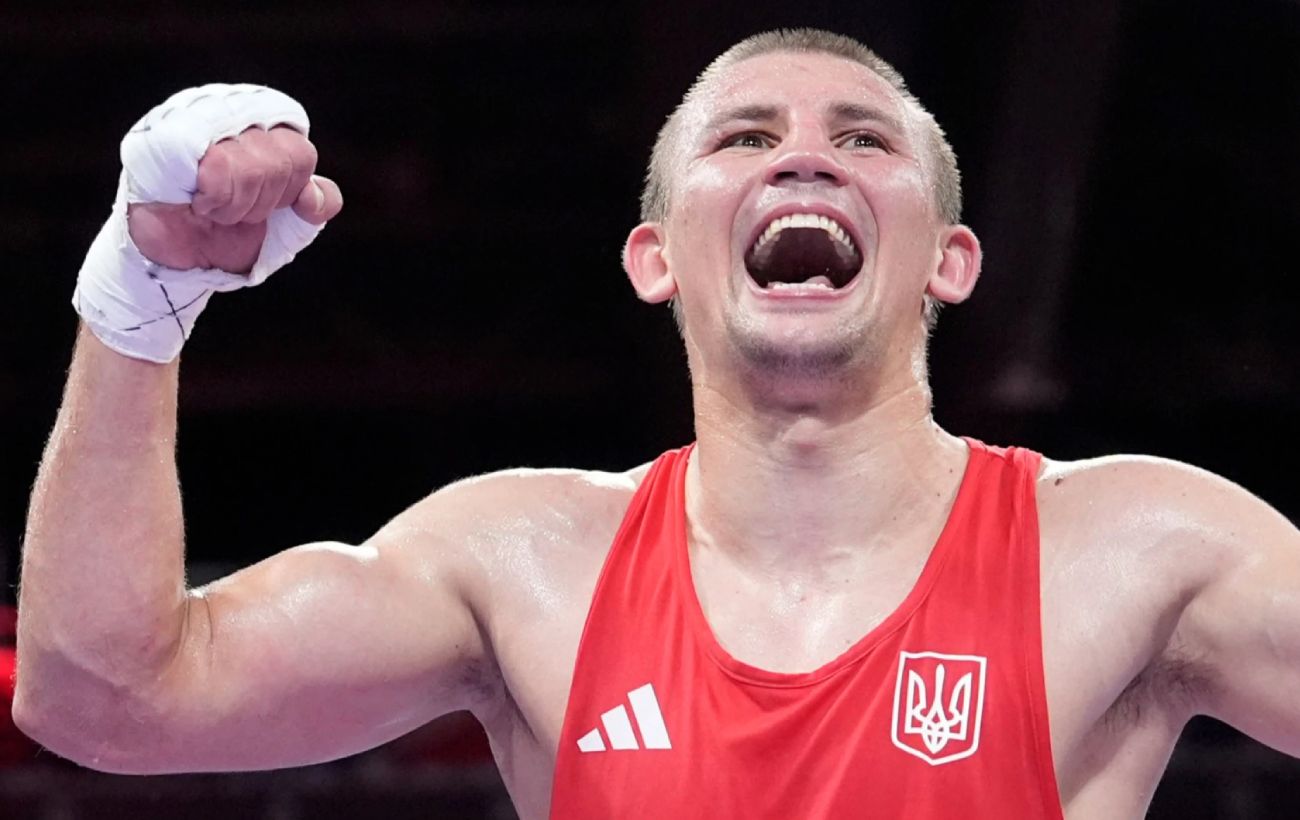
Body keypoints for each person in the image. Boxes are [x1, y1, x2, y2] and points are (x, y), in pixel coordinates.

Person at [13, 27, 1300, 820]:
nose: (804, 157)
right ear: (655, 256)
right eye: (744, 137)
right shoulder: (523, 563)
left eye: (863, 138)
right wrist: (143, 291)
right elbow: (105, 699)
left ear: (950, 259)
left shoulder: (1135, 549)